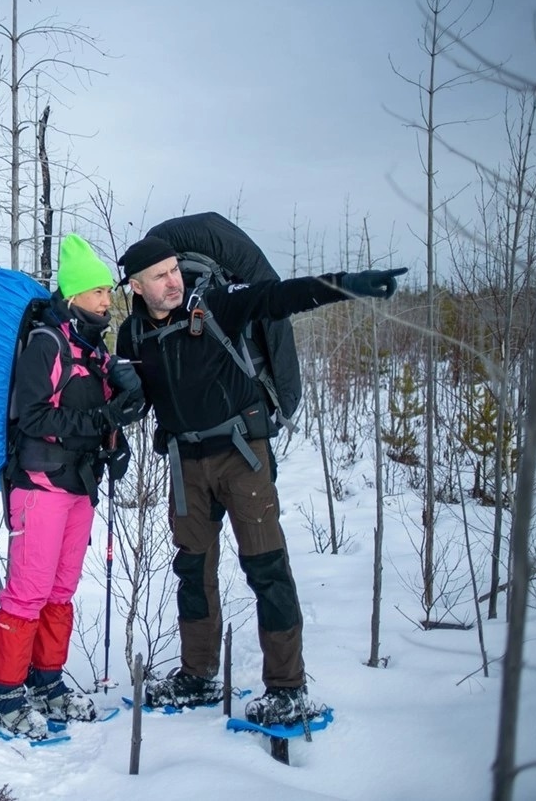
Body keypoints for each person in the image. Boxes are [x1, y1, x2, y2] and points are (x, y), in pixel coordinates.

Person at [115, 233, 406, 726]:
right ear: (137, 287)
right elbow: (139, 402)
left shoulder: (216, 306)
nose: (173, 281)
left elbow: (280, 296)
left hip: (241, 457)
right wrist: (120, 402)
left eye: (174, 270)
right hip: (186, 466)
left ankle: (288, 688)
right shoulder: (131, 336)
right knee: (192, 572)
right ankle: (197, 674)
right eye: (159, 275)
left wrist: (346, 285)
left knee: (266, 568)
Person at [0, 234, 144, 739]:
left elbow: (98, 416)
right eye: (96, 292)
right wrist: (101, 419)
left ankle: (46, 682)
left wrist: (114, 441)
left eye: (106, 293)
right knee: (28, 592)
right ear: (73, 295)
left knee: (60, 591)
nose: (105, 300)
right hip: (40, 482)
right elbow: (34, 416)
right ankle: (4, 692)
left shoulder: (93, 351)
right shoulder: (47, 344)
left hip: (78, 483)